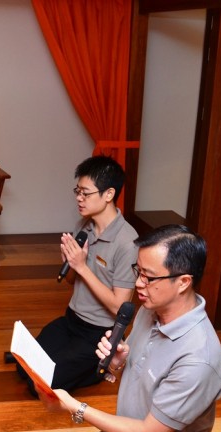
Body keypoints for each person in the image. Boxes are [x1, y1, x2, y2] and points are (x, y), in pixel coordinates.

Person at [38, 224, 221, 432]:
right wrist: (119, 364)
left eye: (148, 277)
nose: (138, 283)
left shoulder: (199, 359)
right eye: (138, 271)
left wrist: (76, 407)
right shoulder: (150, 311)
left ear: (183, 282)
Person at [19, 155, 138, 392]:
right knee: (24, 367)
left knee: (40, 385)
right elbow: (72, 282)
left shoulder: (128, 242)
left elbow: (119, 307)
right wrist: (71, 264)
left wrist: (82, 266)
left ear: (108, 194)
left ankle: (98, 368)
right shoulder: (84, 226)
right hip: (71, 320)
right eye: (77, 191)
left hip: (99, 333)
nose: (78, 198)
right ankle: (78, 365)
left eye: (85, 193)